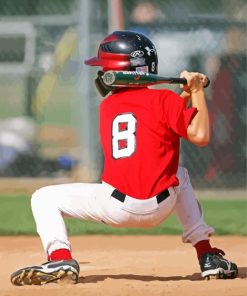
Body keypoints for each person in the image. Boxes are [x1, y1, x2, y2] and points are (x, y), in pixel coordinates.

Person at [10, 31, 238, 286]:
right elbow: (200, 134)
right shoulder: (165, 100)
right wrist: (196, 92)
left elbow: (160, 118)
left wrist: (185, 95)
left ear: (119, 70)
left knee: (44, 197)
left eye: (105, 67)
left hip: (116, 206)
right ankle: (207, 255)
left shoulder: (108, 106)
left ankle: (60, 257)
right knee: (180, 175)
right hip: (161, 207)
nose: (101, 73)